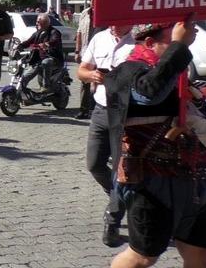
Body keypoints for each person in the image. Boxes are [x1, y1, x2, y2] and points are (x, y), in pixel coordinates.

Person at [104, 22, 206, 268]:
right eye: (173, 38)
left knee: (200, 256)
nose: (185, 42)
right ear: (149, 42)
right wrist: (179, 47)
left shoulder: (177, 72)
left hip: (196, 182)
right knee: (142, 257)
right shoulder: (126, 72)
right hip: (153, 185)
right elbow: (149, 93)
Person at [76, 24, 134, 247]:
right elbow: (81, 71)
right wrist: (92, 75)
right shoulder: (99, 38)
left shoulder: (137, 42)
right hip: (100, 110)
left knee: (121, 170)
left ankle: (112, 222)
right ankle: (119, 195)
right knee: (94, 164)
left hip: (126, 113)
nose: (114, 23)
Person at [17, 13, 64, 94]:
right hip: (38, 61)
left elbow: (55, 41)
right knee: (25, 77)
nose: (36, 23)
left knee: (46, 62)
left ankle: (46, 86)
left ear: (45, 23)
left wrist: (46, 44)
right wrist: (19, 46)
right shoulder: (38, 33)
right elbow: (29, 42)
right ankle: (20, 93)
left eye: (39, 22)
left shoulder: (54, 32)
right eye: (37, 21)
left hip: (53, 59)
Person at [74, 0, 101, 119]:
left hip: (100, 51)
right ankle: (83, 109)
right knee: (84, 80)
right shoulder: (85, 13)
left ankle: (96, 108)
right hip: (86, 50)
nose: (93, 1)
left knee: (98, 79)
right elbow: (79, 32)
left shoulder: (104, 13)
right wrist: (77, 51)